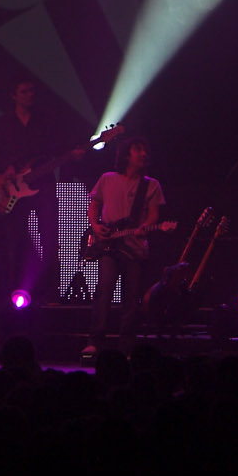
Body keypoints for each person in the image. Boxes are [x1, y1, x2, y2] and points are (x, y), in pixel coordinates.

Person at [0, 78, 87, 313]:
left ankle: (48, 292)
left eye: (32, 91)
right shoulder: (3, 124)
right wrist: (7, 167)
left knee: (50, 238)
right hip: (14, 188)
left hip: (44, 184)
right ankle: (12, 291)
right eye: (24, 91)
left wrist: (73, 155)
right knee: (16, 239)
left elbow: (59, 150)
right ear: (13, 95)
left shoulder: (45, 122)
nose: (30, 94)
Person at [84, 136, 164, 352]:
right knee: (104, 291)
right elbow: (94, 205)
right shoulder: (107, 179)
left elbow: (154, 215)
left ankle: (127, 344)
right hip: (108, 246)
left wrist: (145, 227)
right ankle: (95, 341)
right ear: (126, 154)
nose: (143, 154)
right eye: (138, 149)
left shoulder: (151, 185)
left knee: (131, 297)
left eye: (145, 150)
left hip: (134, 248)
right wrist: (95, 225)